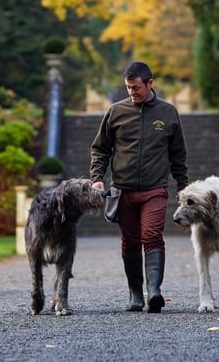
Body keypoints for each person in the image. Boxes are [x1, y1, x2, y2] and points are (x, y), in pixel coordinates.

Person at [90, 61, 189, 313]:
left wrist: (183, 185)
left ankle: (154, 292)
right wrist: (97, 177)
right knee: (130, 242)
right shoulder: (115, 112)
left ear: (150, 84)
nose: (131, 92)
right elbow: (100, 149)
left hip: (154, 189)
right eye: (128, 87)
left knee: (152, 236)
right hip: (122, 191)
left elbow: (178, 154)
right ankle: (135, 295)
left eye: (135, 87)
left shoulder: (168, 112)